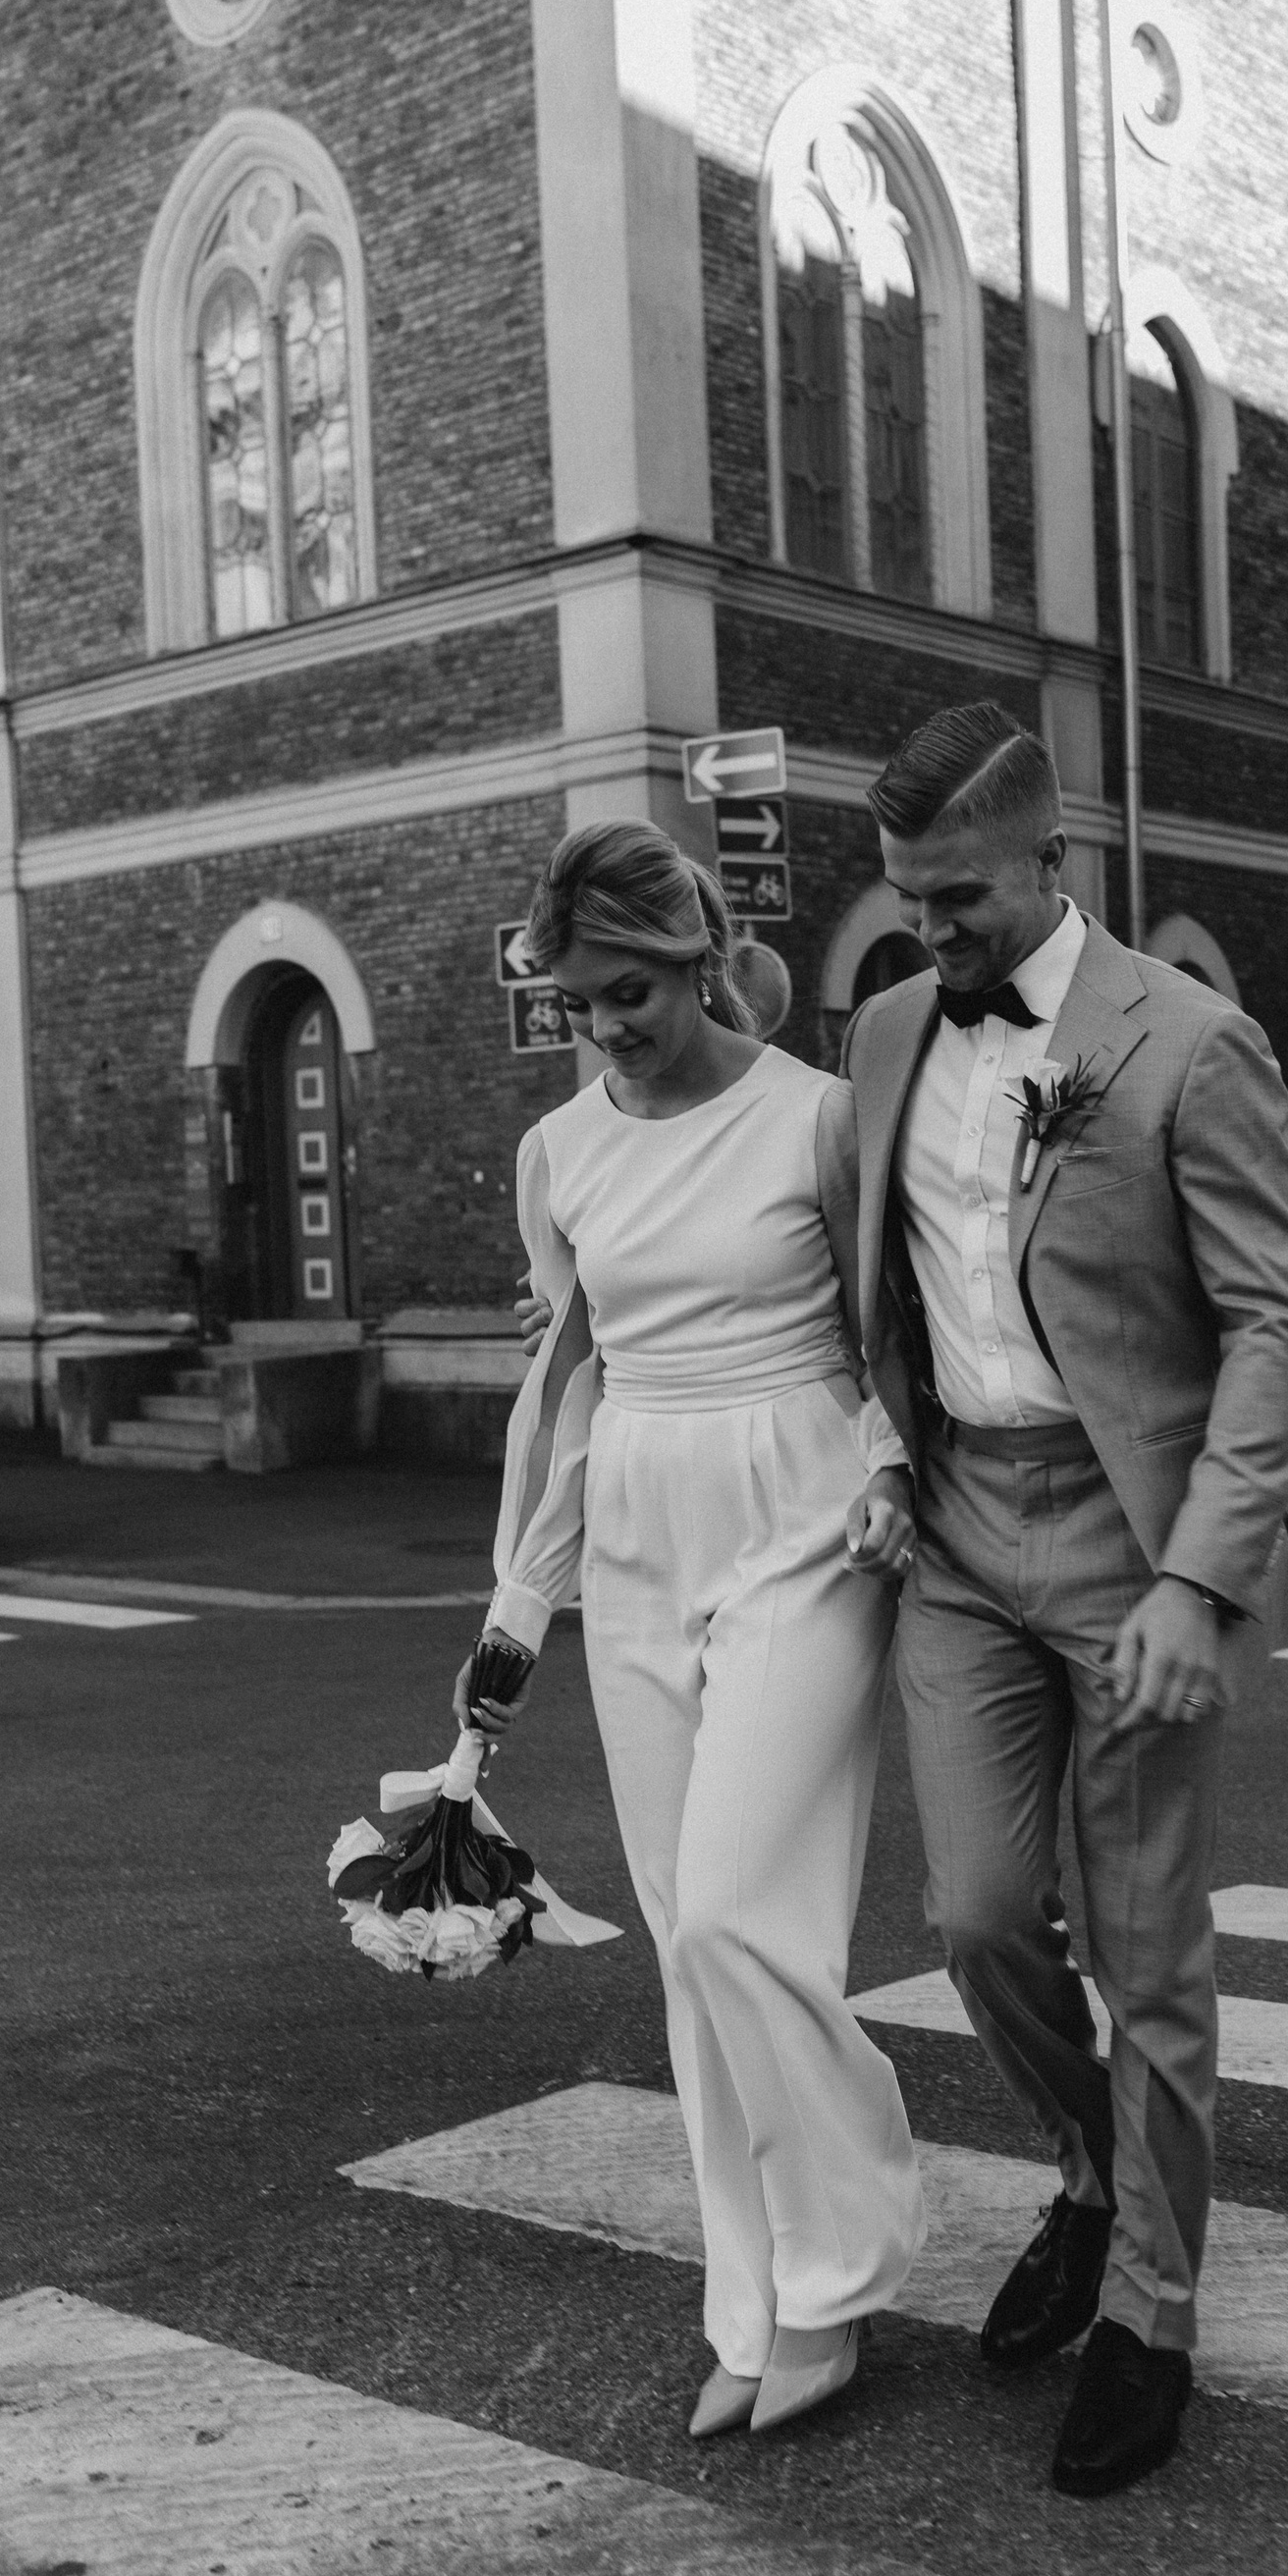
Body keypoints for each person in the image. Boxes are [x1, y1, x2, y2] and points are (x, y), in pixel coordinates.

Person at [843, 702, 1288, 2497]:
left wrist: (1204, 1578)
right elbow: (844, 1267)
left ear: (1054, 857)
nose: (931, 932)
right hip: (963, 1533)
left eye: (959, 897)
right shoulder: (885, 1031)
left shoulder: (1190, 1042)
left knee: (1146, 1952)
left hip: (1139, 1546)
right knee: (974, 1913)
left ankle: (1150, 2317)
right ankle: (1095, 2174)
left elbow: (1277, 1325)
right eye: (907, 899)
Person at [461, 818, 926, 2442]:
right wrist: (519, 1604)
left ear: (703, 958)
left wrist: (893, 1462)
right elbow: (567, 1381)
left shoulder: (819, 1117)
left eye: (632, 993)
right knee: (685, 1945)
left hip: (805, 1509)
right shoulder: (559, 1152)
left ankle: (841, 2262)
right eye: (578, 1002)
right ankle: (754, 2301)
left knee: (739, 1914)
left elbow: (887, 1330)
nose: (607, 1028)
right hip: (639, 1526)